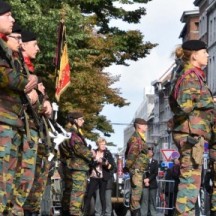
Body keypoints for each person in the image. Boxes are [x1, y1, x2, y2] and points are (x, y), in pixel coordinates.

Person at [0, 2, 38, 214]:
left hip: (11, 121)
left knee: (9, 181)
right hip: (4, 121)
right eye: (8, 15)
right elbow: (5, 76)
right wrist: (27, 82)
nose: (13, 20)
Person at [169, 40, 214, 215]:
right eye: (204, 52)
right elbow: (183, 105)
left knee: (191, 181)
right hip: (190, 134)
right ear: (194, 55)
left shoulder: (194, 75)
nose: (207, 55)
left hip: (191, 132)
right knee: (189, 182)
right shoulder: (191, 76)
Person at [60, 111, 96, 216]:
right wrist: (92, 154)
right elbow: (79, 148)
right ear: (74, 120)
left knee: (69, 191)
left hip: (71, 165)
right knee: (78, 192)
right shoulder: (72, 132)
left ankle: (67, 211)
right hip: (77, 166)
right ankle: (75, 212)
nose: (83, 121)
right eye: (81, 119)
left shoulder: (69, 131)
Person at [84, 137, 116, 216]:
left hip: (103, 178)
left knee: (102, 196)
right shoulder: (93, 152)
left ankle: (103, 213)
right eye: (102, 144)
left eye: (104, 144)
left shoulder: (107, 153)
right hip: (93, 177)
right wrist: (95, 160)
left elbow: (112, 166)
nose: (103, 146)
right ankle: (84, 212)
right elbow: (89, 164)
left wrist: (106, 164)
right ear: (98, 144)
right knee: (89, 194)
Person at [125, 118, 149, 216]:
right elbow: (132, 155)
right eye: (144, 125)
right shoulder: (136, 139)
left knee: (137, 195)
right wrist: (128, 168)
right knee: (136, 195)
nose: (146, 126)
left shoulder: (140, 138)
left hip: (138, 170)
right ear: (139, 126)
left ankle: (135, 213)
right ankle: (135, 213)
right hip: (136, 170)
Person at [140, 147, 158, 216]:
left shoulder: (155, 162)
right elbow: (142, 171)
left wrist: (148, 179)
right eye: (148, 151)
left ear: (152, 153)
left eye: (150, 151)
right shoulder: (143, 161)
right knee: (144, 200)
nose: (149, 152)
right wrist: (145, 180)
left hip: (153, 184)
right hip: (144, 184)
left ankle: (153, 214)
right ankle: (143, 214)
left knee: (152, 200)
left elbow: (155, 173)